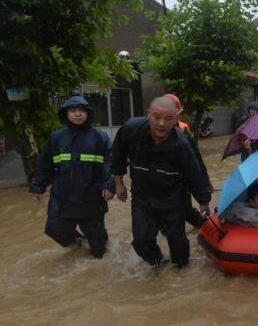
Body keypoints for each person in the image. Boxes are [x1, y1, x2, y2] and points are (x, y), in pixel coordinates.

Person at [112, 97, 211, 268]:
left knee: (177, 242)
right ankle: (158, 264)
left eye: (168, 119)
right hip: (142, 197)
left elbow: (194, 172)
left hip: (172, 198)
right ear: (148, 114)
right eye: (156, 117)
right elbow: (117, 156)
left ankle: (180, 270)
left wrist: (203, 200)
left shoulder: (182, 143)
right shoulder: (131, 130)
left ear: (176, 119)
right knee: (141, 241)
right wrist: (118, 183)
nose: (161, 123)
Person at [30, 96, 113, 258]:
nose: (77, 114)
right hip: (63, 196)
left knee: (99, 248)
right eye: (73, 111)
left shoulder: (100, 137)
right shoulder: (56, 137)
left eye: (81, 111)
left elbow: (109, 164)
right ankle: (80, 245)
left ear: (88, 114)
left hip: (91, 195)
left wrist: (108, 185)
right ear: (66, 114)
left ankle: (98, 255)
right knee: (54, 229)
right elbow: (45, 164)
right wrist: (38, 186)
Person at [163, 93, 212, 228]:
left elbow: (196, 161)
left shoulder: (184, 132)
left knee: (185, 211)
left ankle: (205, 226)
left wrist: (205, 186)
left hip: (181, 182)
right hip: (161, 185)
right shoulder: (152, 133)